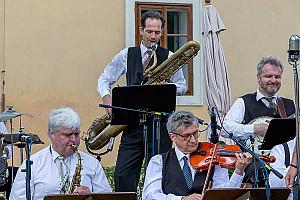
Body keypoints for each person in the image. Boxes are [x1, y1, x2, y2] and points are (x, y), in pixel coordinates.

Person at [97, 11, 187, 192]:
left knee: (160, 176)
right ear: (141, 31)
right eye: (149, 32)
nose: (153, 37)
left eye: (157, 32)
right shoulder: (126, 55)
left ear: (162, 32)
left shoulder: (169, 56)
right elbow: (104, 79)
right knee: (123, 175)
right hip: (131, 124)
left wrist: (167, 86)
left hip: (159, 125)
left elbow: (182, 86)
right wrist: (107, 99)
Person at [142, 110, 252, 200]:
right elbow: (150, 196)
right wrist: (181, 199)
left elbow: (224, 195)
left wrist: (238, 171)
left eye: (195, 133)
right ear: (172, 137)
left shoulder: (213, 155)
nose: (193, 140)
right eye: (187, 136)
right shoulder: (159, 161)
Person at [222, 55, 295, 186]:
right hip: (255, 164)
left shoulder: (289, 105)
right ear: (258, 77)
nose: (273, 80)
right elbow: (225, 128)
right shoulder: (244, 102)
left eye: (277, 77)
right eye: (268, 76)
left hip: (285, 163)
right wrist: (254, 129)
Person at [9, 107, 112, 200]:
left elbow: (107, 198)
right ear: (51, 134)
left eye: (76, 134)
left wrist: (91, 197)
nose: (74, 140)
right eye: (67, 135)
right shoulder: (32, 164)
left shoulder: (92, 164)